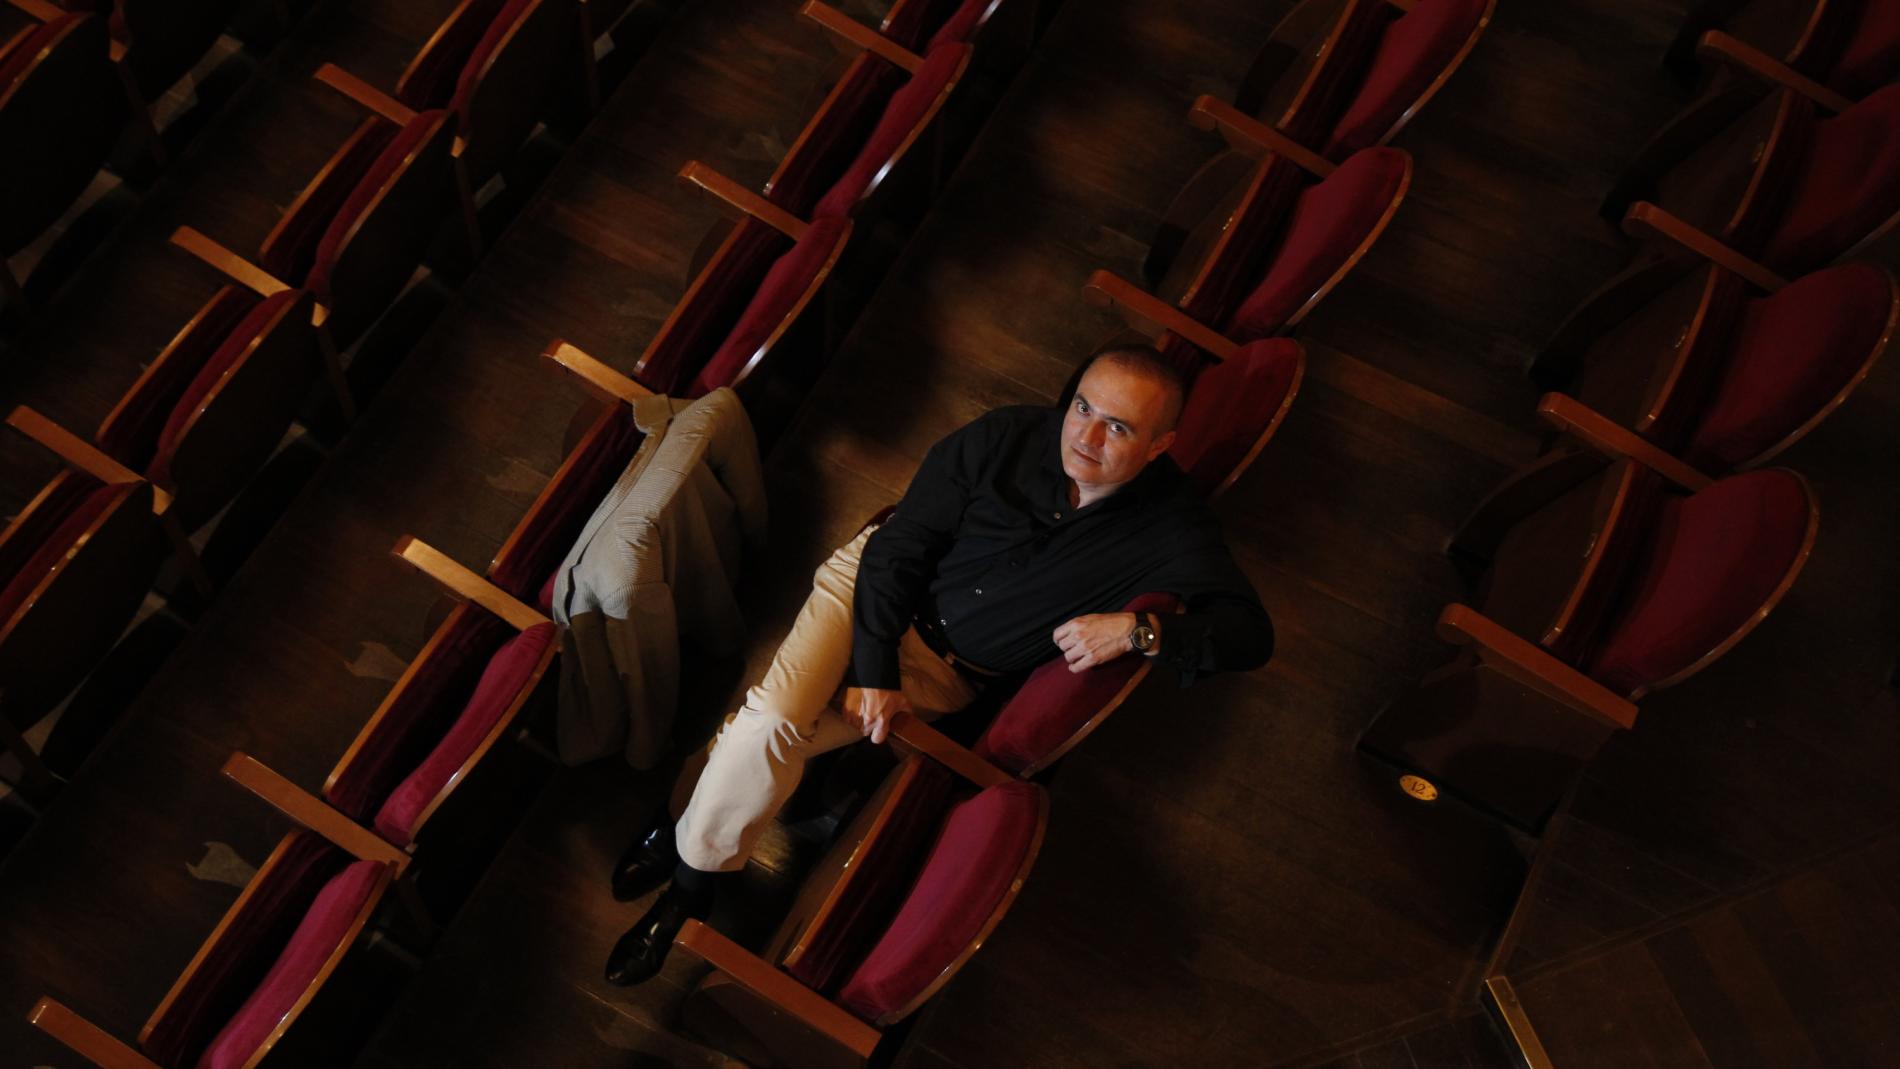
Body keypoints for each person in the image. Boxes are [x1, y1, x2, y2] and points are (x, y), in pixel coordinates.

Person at [603, 344, 1275, 985]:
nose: (1086, 437)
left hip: (949, 672)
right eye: (1082, 408)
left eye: (1118, 427)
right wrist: (875, 670)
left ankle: (679, 822)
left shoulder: (1171, 526)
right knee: (773, 716)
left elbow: (1250, 634)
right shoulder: (1008, 435)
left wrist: (1142, 630)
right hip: (866, 597)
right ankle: (687, 896)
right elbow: (899, 549)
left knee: (767, 731)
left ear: (1160, 445)